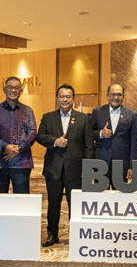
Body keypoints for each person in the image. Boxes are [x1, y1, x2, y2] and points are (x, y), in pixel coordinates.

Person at [37, 84, 94, 247]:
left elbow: (89, 145)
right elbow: (40, 136)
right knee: (53, 203)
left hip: (75, 170)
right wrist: (55, 141)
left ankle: (75, 235)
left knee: (74, 204)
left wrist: (89, 169)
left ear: (73, 99)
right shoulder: (48, 117)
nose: (65, 99)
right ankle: (52, 235)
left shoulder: (83, 119)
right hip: (53, 169)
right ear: (57, 99)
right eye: (62, 96)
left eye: (68, 96)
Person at [0, 76, 37, 194]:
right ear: (4, 90)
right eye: (10, 87)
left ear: (21, 91)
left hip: (21, 163)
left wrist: (19, 149)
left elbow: (33, 132)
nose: (13, 90)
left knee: (22, 200)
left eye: (16, 88)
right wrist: (6, 147)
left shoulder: (28, 110)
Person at [90, 84, 137, 188]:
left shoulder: (131, 114)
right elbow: (89, 134)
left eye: (119, 95)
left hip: (122, 164)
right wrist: (100, 134)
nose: (116, 97)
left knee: (120, 195)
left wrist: (132, 166)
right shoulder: (97, 112)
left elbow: (134, 142)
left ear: (123, 96)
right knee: (102, 194)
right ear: (107, 95)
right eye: (113, 94)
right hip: (101, 161)